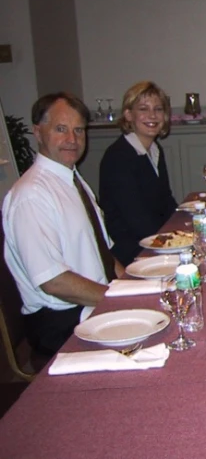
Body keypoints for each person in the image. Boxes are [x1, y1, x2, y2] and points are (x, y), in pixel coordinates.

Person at [2, 93, 124, 356]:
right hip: (61, 324)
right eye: (61, 129)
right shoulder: (31, 196)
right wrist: (120, 300)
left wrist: (134, 288)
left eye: (78, 130)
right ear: (37, 131)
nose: (72, 139)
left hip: (91, 304)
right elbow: (54, 282)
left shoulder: (73, 181)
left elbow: (105, 255)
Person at [99, 81, 178, 265]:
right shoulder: (119, 157)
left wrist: (187, 224)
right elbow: (136, 220)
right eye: (143, 109)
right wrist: (175, 241)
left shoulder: (154, 150)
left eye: (158, 109)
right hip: (133, 252)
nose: (152, 115)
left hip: (154, 241)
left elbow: (165, 200)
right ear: (128, 115)